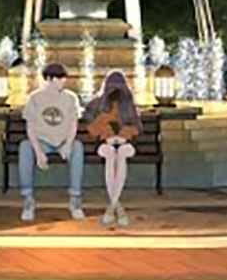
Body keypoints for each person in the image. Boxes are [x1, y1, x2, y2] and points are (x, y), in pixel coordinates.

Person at [18, 61, 85, 223]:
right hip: (42, 142)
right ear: (48, 79)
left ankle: (75, 199)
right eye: (59, 78)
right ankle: (28, 200)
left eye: (63, 78)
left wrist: (67, 144)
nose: (63, 81)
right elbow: (30, 127)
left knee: (78, 147)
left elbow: (73, 124)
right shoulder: (35, 98)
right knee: (25, 147)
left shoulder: (70, 98)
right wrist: (39, 152)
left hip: (63, 142)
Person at [82, 69, 141, 227]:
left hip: (125, 144)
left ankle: (112, 207)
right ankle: (117, 207)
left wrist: (123, 136)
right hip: (104, 143)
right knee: (109, 154)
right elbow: (91, 125)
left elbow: (136, 127)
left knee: (122, 153)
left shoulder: (129, 106)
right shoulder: (96, 104)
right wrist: (106, 135)